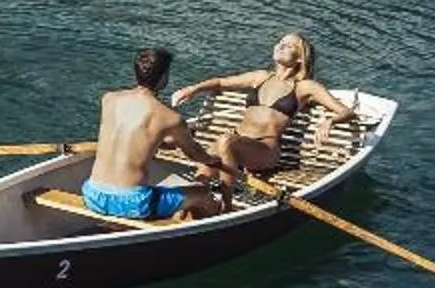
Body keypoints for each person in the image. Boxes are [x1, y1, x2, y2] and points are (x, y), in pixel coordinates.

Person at [175, 32, 362, 192]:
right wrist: (192, 89)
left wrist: (330, 121)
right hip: (235, 142)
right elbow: (221, 83)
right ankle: (189, 211)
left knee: (225, 141)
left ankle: (227, 204)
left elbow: (347, 112)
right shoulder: (260, 77)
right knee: (200, 179)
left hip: (264, 150)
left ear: (300, 58)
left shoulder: (305, 87)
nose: (281, 46)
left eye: (288, 45)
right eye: (280, 42)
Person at [84, 46, 233, 221]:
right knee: (202, 193)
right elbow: (195, 154)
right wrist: (213, 160)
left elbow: (134, 135)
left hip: (93, 194)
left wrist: (163, 142)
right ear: (164, 77)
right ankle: (201, 232)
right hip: (132, 203)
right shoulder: (170, 118)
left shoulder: (108, 99)